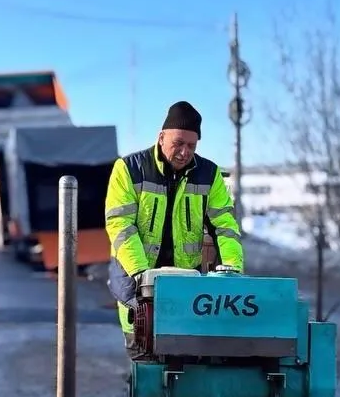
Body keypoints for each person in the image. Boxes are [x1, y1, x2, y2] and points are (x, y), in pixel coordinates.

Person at [105, 100, 244, 359]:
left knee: (183, 361)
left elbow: (225, 226)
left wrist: (232, 270)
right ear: (161, 137)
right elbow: (121, 225)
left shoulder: (208, 175)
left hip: (183, 287)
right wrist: (141, 275)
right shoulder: (128, 170)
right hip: (134, 284)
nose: (184, 152)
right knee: (144, 360)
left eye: (191, 146)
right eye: (178, 143)